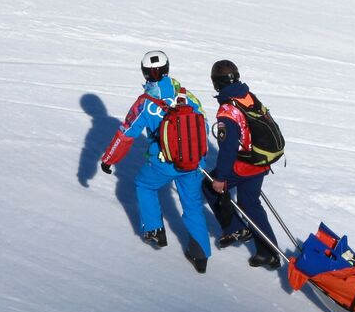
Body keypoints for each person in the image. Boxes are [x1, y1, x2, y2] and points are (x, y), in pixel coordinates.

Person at [99, 51, 212, 273]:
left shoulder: (145, 103)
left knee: (144, 185)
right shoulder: (186, 95)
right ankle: (200, 255)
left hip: (164, 163)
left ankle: (154, 230)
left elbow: (126, 134)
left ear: (144, 73)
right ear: (168, 68)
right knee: (192, 204)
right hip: (194, 161)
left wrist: (108, 159)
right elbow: (204, 126)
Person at [203, 59, 284, 269]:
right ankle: (269, 253)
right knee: (250, 204)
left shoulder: (227, 110)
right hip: (261, 160)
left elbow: (228, 148)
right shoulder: (247, 96)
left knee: (209, 186)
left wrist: (220, 178)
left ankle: (235, 228)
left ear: (216, 83)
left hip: (245, 164)